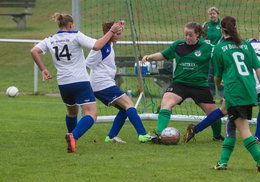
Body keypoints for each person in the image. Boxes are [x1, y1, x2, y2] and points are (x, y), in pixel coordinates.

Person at [30, 12, 122, 153]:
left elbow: (34, 51)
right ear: (71, 25)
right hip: (80, 81)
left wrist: (43, 69)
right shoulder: (75, 35)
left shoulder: (50, 39)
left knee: (72, 112)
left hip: (63, 83)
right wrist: (111, 31)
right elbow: (97, 46)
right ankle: (73, 136)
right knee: (91, 114)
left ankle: (72, 139)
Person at [184, 26, 260, 144]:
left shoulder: (248, 44)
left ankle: (195, 129)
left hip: (236, 82)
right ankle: (258, 137)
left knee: (223, 110)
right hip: (253, 85)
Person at [141, 21, 223, 140]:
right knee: (166, 102)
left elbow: (221, 57)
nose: (187, 37)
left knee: (214, 114)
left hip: (199, 85)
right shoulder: (178, 45)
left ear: (198, 34)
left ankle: (217, 136)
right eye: (185, 34)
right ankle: (160, 135)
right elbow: (163, 54)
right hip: (180, 84)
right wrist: (149, 57)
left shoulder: (208, 48)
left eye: (190, 35)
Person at [211, 16, 260, 172]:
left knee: (243, 128)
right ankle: (222, 162)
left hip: (234, 91)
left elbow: (217, 76)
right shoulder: (247, 46)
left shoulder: (218, 49)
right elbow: (258, 68)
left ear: (222, 31)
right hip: (248, 89)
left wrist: (218, 85)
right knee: (231, 125)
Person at [86, 21, 152, 144]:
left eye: (120, 33)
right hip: (103, 85)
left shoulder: (108, 45)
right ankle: (142, 135)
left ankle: (110, 137)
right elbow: (88, 62)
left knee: (123, 109)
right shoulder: (103, 46)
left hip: (101, 85)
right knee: (129, 105)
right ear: (110, 33)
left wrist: (120, 23)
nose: (119, 36)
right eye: (117, 33)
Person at [202, 7, 224, 98]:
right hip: (210, 53)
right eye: (210, 14)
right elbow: (202, 36)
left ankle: (223, 96)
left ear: (217, 14)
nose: (212, 16)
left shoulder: (222, 24)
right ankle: (211, 95)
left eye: (214, 14)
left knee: (220, 74)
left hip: (220, 53)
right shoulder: (206, 25)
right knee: (210, 74)